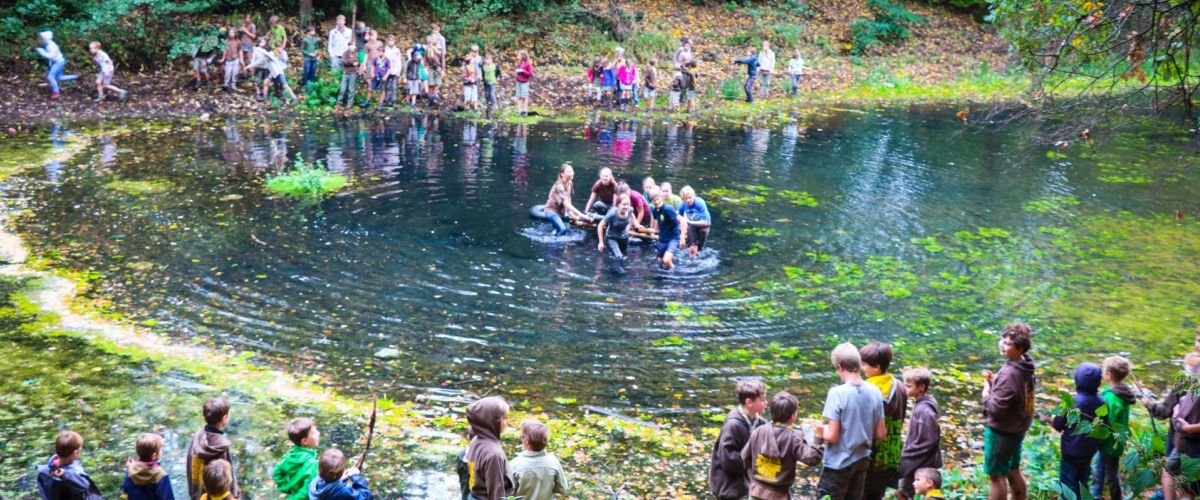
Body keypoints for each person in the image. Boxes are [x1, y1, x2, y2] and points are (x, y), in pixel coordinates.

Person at [818, 342, 886, 500]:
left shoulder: (837, 393)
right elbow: (881, 433)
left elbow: (833, 436)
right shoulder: (875, 391)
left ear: (840, 367)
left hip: (838, 464)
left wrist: (820, 431)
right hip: (862, 461)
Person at [981, 322, 1036, 500]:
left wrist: (986, 393)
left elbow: (995, 409)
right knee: (1013, 470)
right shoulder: (1025, 366)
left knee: (997, 476)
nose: (1002, 345)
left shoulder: (1010, 374)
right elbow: (1015, 394)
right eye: (1002, 341)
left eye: (1007, 344)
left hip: (1001, 433)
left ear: (1020, 349)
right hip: (1017, 428)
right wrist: (995, 383)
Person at [741, 391, 824, 500]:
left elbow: (745, 457)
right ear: (793, 416)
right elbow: (812, 459)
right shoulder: (794, 437)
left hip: (756, 491)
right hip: (779, 495)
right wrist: (817, 438)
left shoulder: (759, 431)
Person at [860, 342, 907, 500]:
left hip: (872, 455)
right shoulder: (900, 386)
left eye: (865, 364)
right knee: (877, 494)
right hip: (891, 453)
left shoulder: (866, 390)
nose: (861, 367)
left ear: (877, 367)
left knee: (863, 493)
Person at [1050, 362, 1103, 499]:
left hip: (1070, 452)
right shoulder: (1102, 403)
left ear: (1076, 380)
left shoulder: (1071, 402)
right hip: (1089, 451)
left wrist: (1053, 418)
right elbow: (1103, 427)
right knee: (1082, 482)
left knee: (1068, 485)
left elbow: (1057, 424)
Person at [708, 379, 768, 500]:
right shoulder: (733, 425)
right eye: (762, 400)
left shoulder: (760, 423)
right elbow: (728, 460)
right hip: (731, 487)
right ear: (749, 402)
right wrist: (755, 460)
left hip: (749, 481)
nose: (766, 403)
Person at [1092, 356, 1136, 500]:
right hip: (1117, 441)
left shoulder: (1111, 398)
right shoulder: (1122, 393)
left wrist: (1096, 437)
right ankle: (1102, 494)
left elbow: (1106, 421)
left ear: (1109, 374)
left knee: (1105, 472)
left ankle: (1100, 495)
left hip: (1108, 442)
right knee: (1107, 469)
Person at [898, 367, 942, 500]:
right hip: (919, 460)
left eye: (909, 386)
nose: (905, 389)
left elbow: (929, 441)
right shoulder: (922, 403)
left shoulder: (924, 411)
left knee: (903, 492)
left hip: (920, 462)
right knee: (903, 491)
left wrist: (906, 456)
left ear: (921, 387)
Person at [187, 397, 239, 500]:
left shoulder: (197, 437)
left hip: (198, 493)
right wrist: (235, 495)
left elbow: (190, 465)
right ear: (224, 419)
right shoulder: (222, 446)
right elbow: (227, 475)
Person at [465, 396, 513, 500]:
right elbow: (496, 491)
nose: (507, 421)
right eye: (504, 418)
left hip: (474, 495)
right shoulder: (494, 454)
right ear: (491, 421)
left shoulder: (476, 440)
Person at [509, 419, 569, 500]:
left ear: (526, 441)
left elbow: (508, 492)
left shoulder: (515, 464)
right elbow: (562, 489)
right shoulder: (553, 462)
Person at [36, 430, 104, 500]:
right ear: (76, 453)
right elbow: (85, 486)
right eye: (81, 449)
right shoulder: (76, 475)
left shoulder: (43, 472)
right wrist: (65, 475)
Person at [273, 417, 320, 500]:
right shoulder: (313, 463)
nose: (318, 433)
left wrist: (287, 487)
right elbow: (307, 492)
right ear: (305, 441)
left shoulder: (291, 455)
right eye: (314, 432)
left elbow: (276, 472)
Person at [121, 433, 175, 500]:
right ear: (154, 455)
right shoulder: (161, 475)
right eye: (161, 449)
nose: (162, 451)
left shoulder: (130, 470)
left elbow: (124, 492)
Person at [307, 449, 373, 499]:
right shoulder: (343, 492)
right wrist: (356, 477)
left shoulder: (313, 485)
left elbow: (329, 487)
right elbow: (366, 497)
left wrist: (340, 480)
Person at [543, 164, 586, 236]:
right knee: (562, 229)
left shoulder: (570, 183)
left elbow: (568, 199)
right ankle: (552, 245)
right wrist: (581, 214)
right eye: (569, 172)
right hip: (551, 211)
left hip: (560, 212)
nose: (572, 173)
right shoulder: (559, 186)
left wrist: (572, 214)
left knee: (559, 229)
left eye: (572, 171)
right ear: (562, 174)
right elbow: (566, 203)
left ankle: (554, 239)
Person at [36, 31, 78, 99]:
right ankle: (77, 77)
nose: (41, 40)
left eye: (42, 38)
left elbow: (51, 56)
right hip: (57, 62)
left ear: (46, 38)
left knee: (50, 77)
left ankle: (56, 92)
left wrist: (41, 51)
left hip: (58, 62)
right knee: (59, 77)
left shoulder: (52, 46)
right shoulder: (48, 44)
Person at [650, 188, 684, 270]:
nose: (656, 202)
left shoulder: (668, 209)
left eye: (658, 199)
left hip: (673, 237)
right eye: (654, 200)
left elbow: (682, 221)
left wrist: (682, 239)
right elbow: (657, 221)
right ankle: (665, 277)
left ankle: (675, 273)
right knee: (660, 261)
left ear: (661, 198)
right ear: (651, 202)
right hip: (663, 238)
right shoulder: (655, 210)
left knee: (666, 260)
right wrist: (653, 233)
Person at [597, 194, 634, 259]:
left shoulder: (630, 210)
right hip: (611, 238)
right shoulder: (612, 213)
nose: (626, 207)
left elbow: (631, 216)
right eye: (624, 204)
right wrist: (601, 242)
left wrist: (632, 226)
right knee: (619, 257)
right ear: (618, 205)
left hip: (624, 237)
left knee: (624, 255)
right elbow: (600, 225)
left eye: (628, 204)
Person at [678, 186, 711, 258]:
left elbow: (705, 222)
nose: (688, 200)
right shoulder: (682, 205)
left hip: (704, 225)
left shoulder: (700, 203)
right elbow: (677, 216)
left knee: (701, 239)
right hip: (691, 224)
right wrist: (682, 235)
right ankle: (691, 253)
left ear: (694, 196)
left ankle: (699, 251)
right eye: (685, 199)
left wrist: (689, 222)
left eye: (689, 198)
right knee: (692, 245)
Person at [335, 44, 359, 111]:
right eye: (351, 45)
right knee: (342, 88)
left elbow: (357, 62)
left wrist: (355, 64)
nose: (353, 47)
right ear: (349, 46)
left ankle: (350, 103)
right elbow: (344, 62)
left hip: (353, 73)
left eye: (354, 46)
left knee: (351, 89)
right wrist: (352, 63)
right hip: (345, 73)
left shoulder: (356, 54)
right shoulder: (345, 53)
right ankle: (339, 103)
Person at [382, 35, 403, 106]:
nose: (391, 42)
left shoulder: (397, 50)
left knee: (394, 86)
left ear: (394, 41)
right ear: (387, 41)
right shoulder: (385, 49)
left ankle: (393, 100)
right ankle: (386, 99)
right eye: (389, 40)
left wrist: (399, 72)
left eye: (392, 40)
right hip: (387, 71)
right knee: (387, 86)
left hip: (395, 70)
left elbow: (399, 61)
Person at [369, 39, 391, 108]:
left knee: (382, 90)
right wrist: (372, 72)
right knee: (370, 88)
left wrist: (386, 76)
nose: (378, 53)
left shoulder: (387, 60)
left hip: (383, 77)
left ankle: (380, 103)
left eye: (380, 52)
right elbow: (373, 65)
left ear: (383, 52)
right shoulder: (376, 59)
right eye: (378, 52)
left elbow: (389, 69)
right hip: (376, 76)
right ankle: (368, 101)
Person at [299, 26, 320, 91]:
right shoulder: (305, 40)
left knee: (313, 71)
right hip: (307, 59)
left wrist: (316, 52)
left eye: (314, 31)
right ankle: (304, 85)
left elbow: (317, 47)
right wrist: (309, 54)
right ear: (308, 32)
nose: (314, 32)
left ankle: (311, 86)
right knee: (307, 71)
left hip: (314, 58)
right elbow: (302, 49)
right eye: (313, 31)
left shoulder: (315, 39)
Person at [463, 45, 482, 111]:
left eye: (476, 51)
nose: (475, 52)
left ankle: (475, 107)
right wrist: (470, 57)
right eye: (473, 51)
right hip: (468, 77)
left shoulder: (479, 58)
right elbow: (464, 66)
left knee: (475, 93)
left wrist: (480, 75)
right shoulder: (467, 57)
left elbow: (480, 67)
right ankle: (467, 106)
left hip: (476, 76)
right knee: (467, 92)